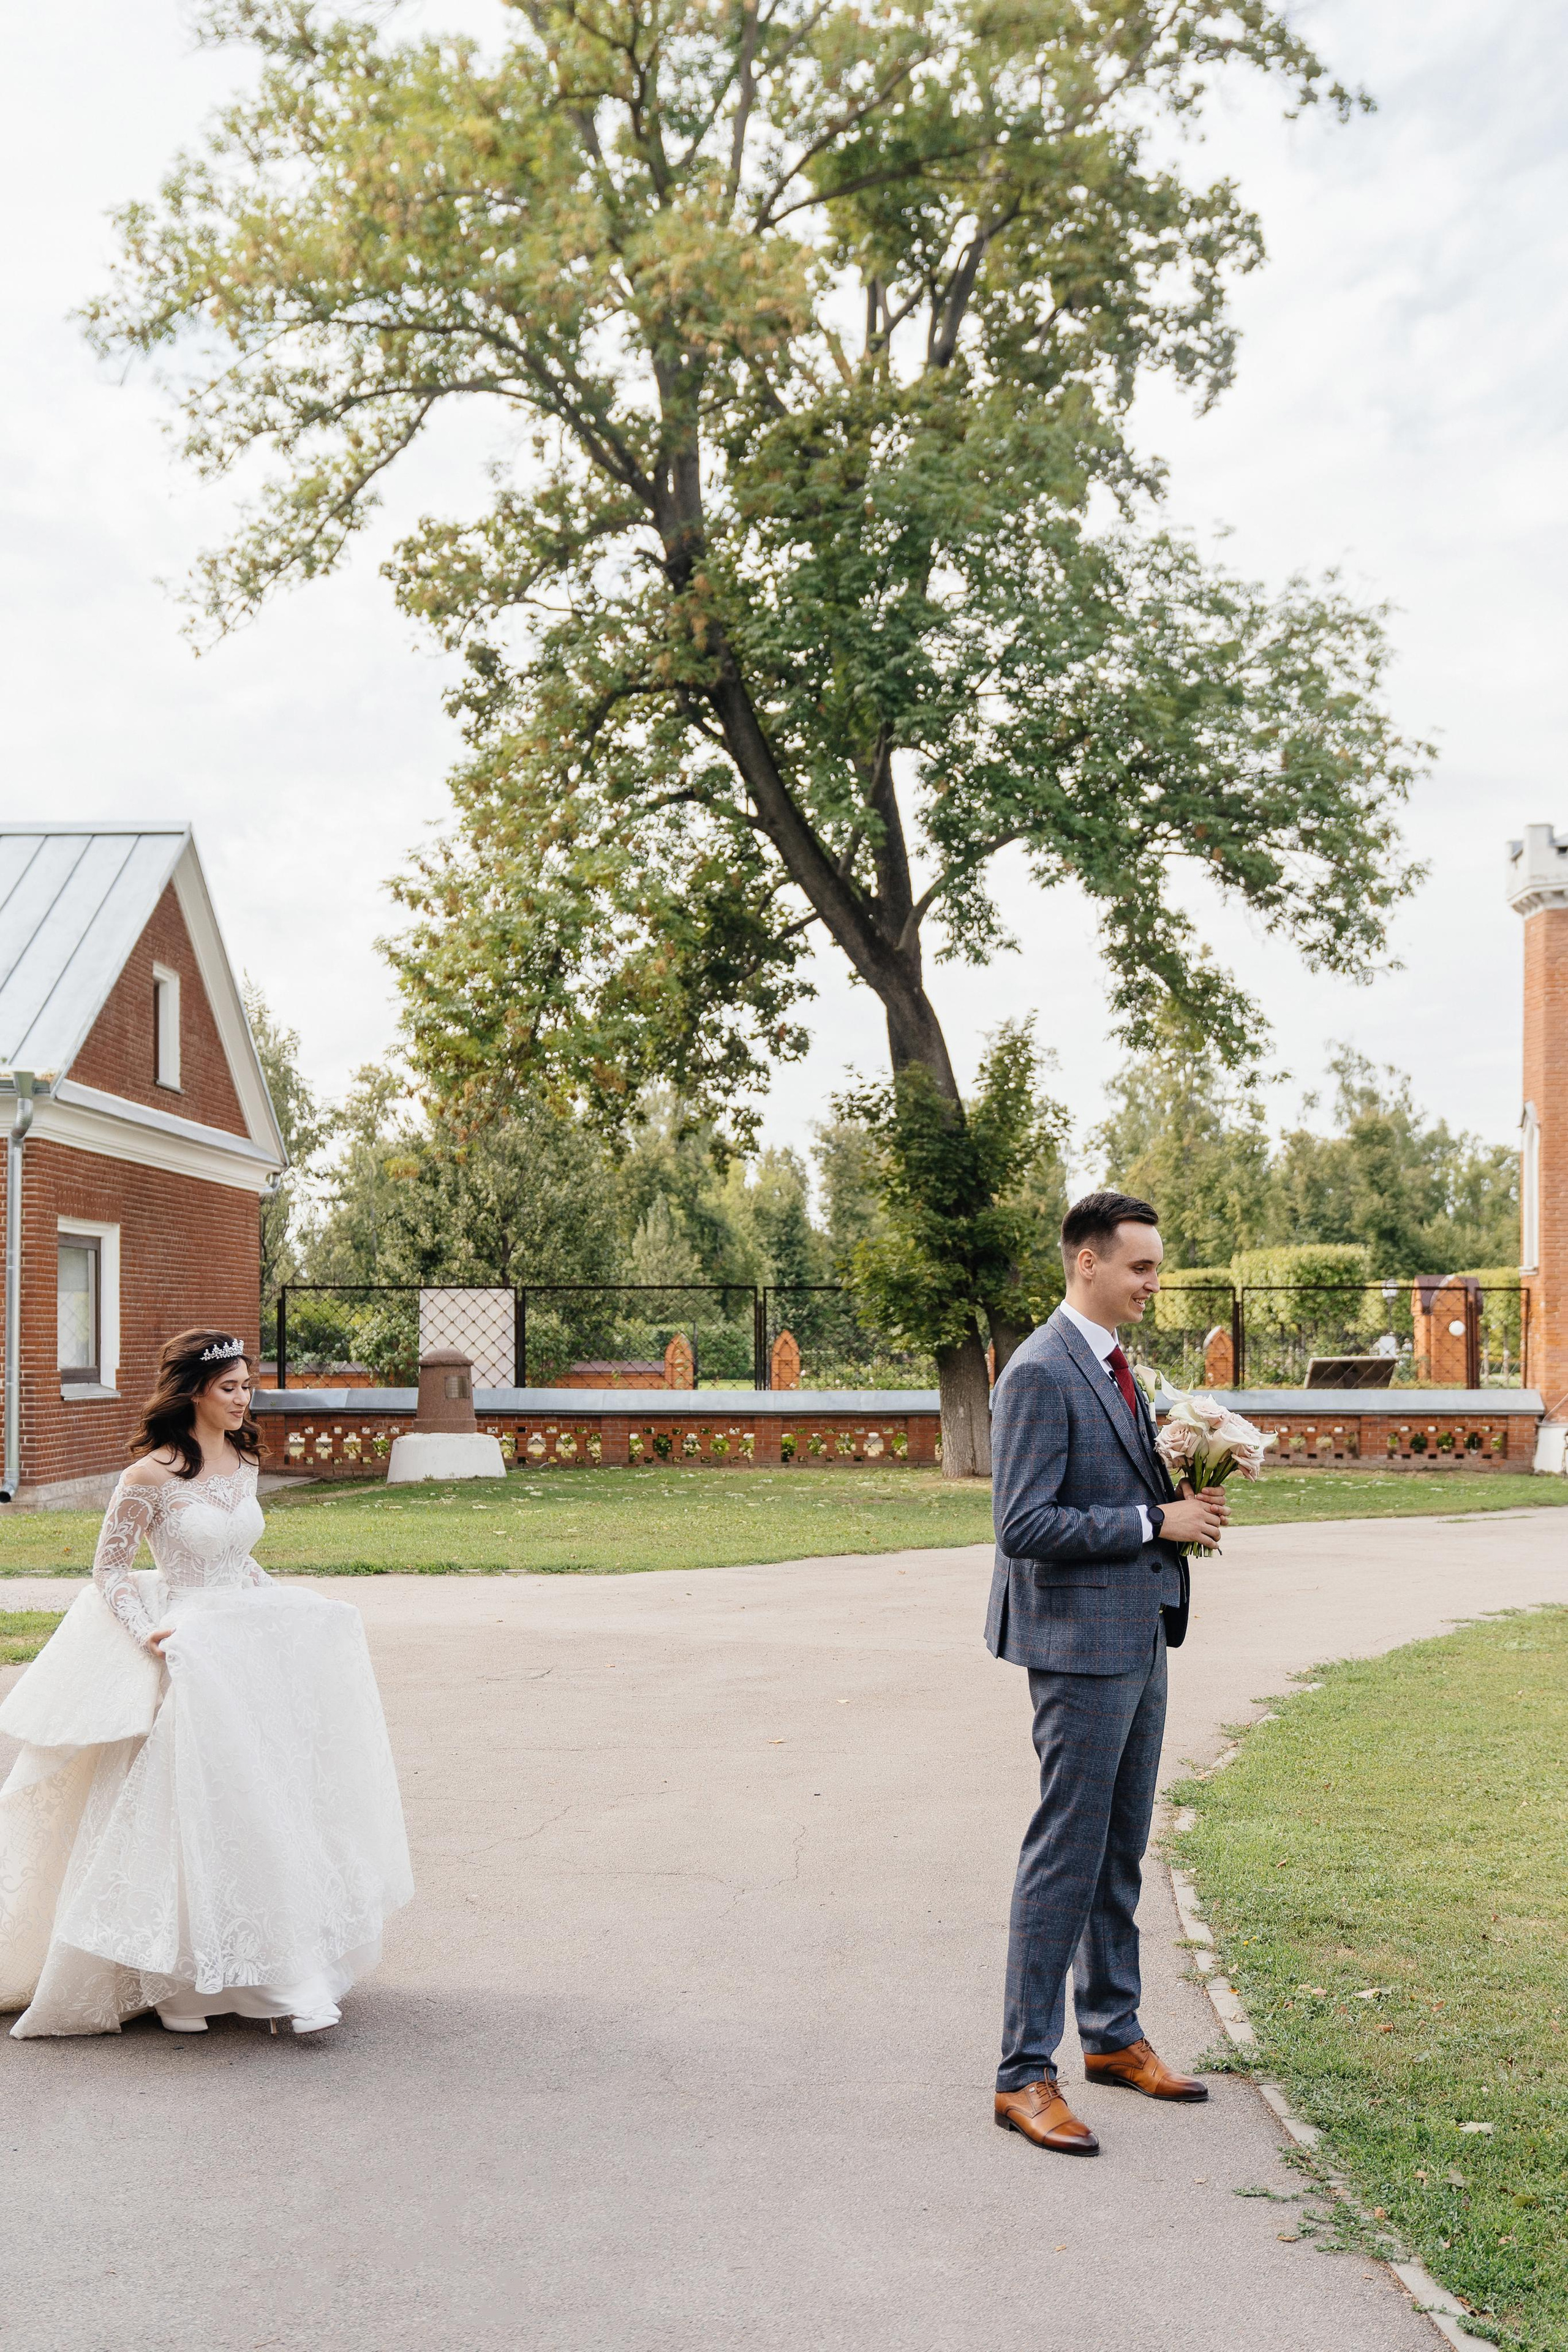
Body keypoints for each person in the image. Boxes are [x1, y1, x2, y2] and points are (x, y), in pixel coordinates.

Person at [0, 1329, 412, 2038]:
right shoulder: (148, 1477)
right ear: (193, 1391)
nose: (244, 1400)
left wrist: (288, 1613)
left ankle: (266, 1969)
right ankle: (189, 1984)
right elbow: (110, 1573)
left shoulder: (242, 1458)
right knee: (206, 1806)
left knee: (265, 1797)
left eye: (249, 1387)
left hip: (246, 1644)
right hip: (190, 1647)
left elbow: (239, 1561)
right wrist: (148, 1634)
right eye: (231, 1388)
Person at [985, 1191, 1227, 2154]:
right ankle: (1021, 2074)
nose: (1153, 1284)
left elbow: (1118, 1486)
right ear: (1088, 1263)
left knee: (1121, 1848)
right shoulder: (1043, 1371)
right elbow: (1023, 1525)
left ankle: (1114, 2034)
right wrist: (1150, 1523)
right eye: (1140, 1268)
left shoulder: (1124, 1370)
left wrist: (1189, 1493)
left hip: (1139, 1635)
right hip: (1078, 1648)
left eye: (1157, 1268)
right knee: (1066, 1855)